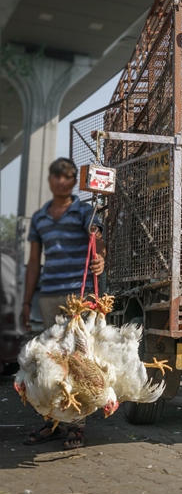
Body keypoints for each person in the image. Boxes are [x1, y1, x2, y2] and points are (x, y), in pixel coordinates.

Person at [21, 157, 106, 449]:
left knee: (76, 361)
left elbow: (97, 238)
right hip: (49, 296)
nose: (61, 181)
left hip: (77, 298)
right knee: (49, 359)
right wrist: (24, 302)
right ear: (51, 181)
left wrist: (100, 258)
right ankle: (52, 421)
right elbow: (34, 262)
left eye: (67, 176)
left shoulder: (84, 211)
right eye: (57, 176)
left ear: (73, 182)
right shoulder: (40, 218)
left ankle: (77, 426)